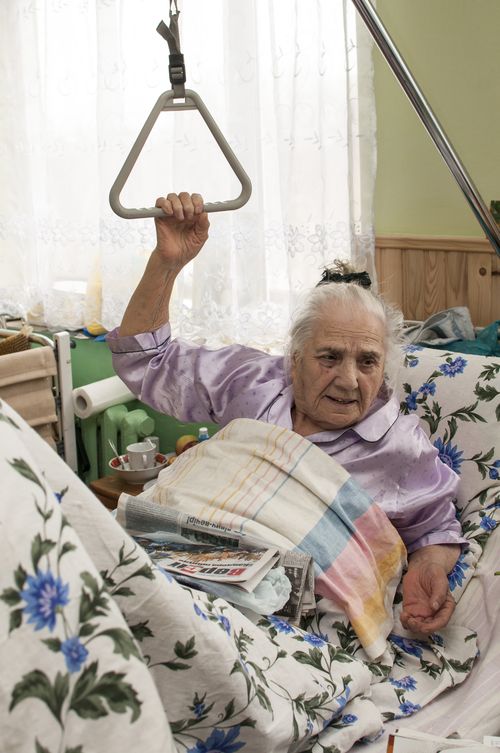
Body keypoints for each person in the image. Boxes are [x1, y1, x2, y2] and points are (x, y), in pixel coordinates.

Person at [107, 191, 466, 636]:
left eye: (367, 361)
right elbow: (147, 360)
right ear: (294, 361)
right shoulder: (251, 381)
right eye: (329, 357)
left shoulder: (399, 447)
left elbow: (435, 530)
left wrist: (428, 570)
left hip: (269, 619)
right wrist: (167, 263)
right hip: (175, 562)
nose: (349, 380)